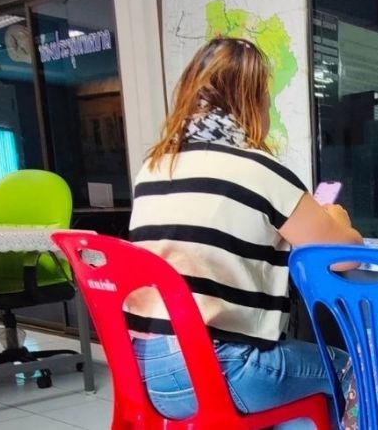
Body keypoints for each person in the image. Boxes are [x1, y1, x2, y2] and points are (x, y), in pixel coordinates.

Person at [125, 37, 362, 428]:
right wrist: (337, 221)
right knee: (350, 367)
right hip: (217, 371)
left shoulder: (153, 169)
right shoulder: (259, 171)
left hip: (143, 370)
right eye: (266, 99)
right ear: (252, 103)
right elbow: (345, 257)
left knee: (283, 361)